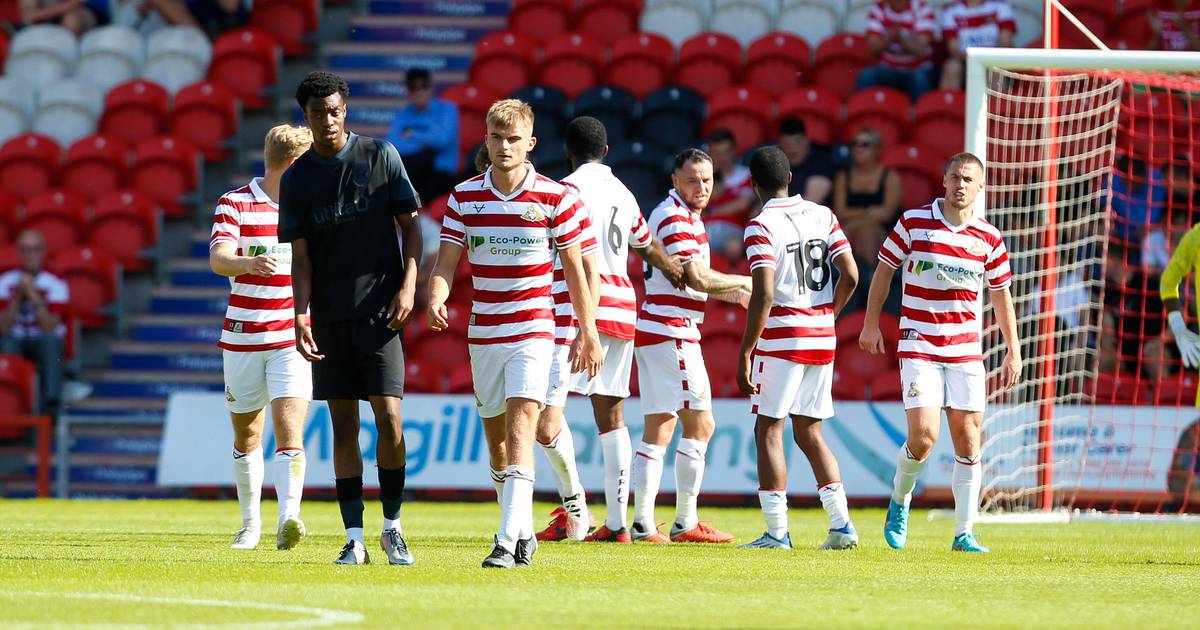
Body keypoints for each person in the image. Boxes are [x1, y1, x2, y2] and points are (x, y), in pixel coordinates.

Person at [427, 98, 602, 569]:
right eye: (496, 138)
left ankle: (505, 541)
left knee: (525, 426)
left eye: (513, 139)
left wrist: (589, 331)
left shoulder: (555, 196)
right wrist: (437, 295)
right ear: (485, 139)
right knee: (497, 440)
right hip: (484, 330)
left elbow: (577, 269)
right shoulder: (464, 197)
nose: (504, 147)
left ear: (530, 143)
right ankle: (523, 531)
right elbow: (446, 262)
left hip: (534, 329)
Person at [279, 71, 422, 567]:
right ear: (307, 116)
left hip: (382, 313)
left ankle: (393, 528)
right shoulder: (297, 178)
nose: (329, 119)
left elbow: (413, 228)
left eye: (336, 110)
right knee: (342, 424)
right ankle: (356, 538)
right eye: (319, 112)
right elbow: (302, 259)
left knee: (390, 417)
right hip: (330, 318)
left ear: (346, 109)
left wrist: (408, 286)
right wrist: (301, 313)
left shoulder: (380, 156)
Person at [859, 152, 1021, 553]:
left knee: (968, 439)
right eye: (955, 177)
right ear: (944, 180)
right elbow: (884, 269)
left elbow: (1002, 298)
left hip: (965, 350)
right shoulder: (914, 223)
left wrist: (1012, 350)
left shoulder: (989, 238)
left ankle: (964, 532)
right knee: (925, 436)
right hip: (919, 342)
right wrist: (870, 322)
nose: (961, 185)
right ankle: (900, 500)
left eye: (969, 179)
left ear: (980, 187)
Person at [533, 116, 684, 544]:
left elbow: (558, 252)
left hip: (576, 309)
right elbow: (644, 243)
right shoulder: (624, 192)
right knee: (611, 415)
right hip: (622, 308)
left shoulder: (567, 191)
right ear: (605, 151)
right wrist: (670, 265)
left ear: (568, 151)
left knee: (546, 422)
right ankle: (617, 524)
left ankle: (575, 506)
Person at [735, 147, 860, 551]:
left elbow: (765, 292)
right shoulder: (823, 215)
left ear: (753, 184)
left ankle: (776, 532)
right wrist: (827, 316)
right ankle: (842, 526)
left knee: (768, 428)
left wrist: (746, 350)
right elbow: (852, 275)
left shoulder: (760, 225)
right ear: (791, 176)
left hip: (785, 336)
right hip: (822, 334)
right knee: (810, 430)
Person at [630, 148, 752, 545]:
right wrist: (743, 284)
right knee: (701, 424)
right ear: (675, 181)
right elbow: (698, 279)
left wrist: (735, 295)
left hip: (655, 327)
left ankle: (644, 524)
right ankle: (685, 521)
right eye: (692, 180)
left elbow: (692, 281)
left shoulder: (683, 217)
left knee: (660, 427)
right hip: (672, 330)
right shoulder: (676, 216)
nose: (701, 187)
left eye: (707, 179)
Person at [209, 124, 313, 552]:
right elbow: (218, 259)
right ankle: (250, 524)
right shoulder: (235, 203)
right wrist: (248, 266)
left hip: (291, 335)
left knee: (290, 430)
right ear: (293, 165)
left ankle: (289, 517)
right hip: (243, 335)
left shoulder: (311, 212)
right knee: (247, 435)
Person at [0, 229, 67, 413]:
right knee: (7, 344)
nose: (30, 255)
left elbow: (49, 325)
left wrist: (32, 295)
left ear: (43, 251)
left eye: (35, 249)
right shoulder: (5, 280)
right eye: (25, 250)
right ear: (19, 253)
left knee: (51, 342)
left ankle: (51, 406)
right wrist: (18, 296)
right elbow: (4, 326)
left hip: (43, 339)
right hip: (15, 338)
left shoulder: (55, 280)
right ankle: (11, 407)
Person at [387, 68, 460, 201]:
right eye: (413, 87)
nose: (419, 92)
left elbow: (444, 140)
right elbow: (394, 146)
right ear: (408, 91)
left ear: (431, 88)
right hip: (411, 171)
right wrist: (429, 141)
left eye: (423, 86)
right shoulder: (402, 114)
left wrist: (413, 135)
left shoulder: (448, 109)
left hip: (440, 174)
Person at [832, 128, 902, 266]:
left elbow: (886, 214)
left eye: (865, 145)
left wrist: (855, 218)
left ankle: (866, 280)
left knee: (867, 233)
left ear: (877, 150)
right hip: (849, 228)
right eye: (855, 144)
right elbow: (840, 212)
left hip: (880, 233)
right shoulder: (843, 176)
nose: (858, 148)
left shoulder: (890, 176)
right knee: (858, 231)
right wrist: (868, 212)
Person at [856, 0, 938, 101]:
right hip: (888, 68)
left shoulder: (922, 8)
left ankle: (921, 114)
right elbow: (872, 50)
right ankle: (865, 113)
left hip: (918, 69)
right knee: (866, 76)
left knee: (920, 79)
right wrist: (890, 38)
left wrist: (899, 37)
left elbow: (920, 51)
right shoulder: (878, 8)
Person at [703, 128, 756, 258]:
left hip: (734, 228)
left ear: (734, 151)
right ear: (709, 153)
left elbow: (742, 203)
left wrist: (712, 211)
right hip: (703, 228)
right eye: (716, 153)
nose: (721, 158)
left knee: (734, 246)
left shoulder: (746, 175)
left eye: (725, 152)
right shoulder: (702, 178)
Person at [939, 0, 1015, 89]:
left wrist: (985, 58)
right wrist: (978, 57)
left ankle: (997, 102)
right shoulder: (951, 10)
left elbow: (1006, 44)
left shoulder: (1001, 5)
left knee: (993, 67)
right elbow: (953, 51)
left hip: (993, 59)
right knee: (952, 66)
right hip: (965, 62)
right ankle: (949, 101)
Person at [778, 118, 834, 206]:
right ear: (780, 144)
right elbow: (763, 203)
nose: (792, 149)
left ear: (807, 141)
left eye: (797, 143)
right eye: (787, 143)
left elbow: (810, 204)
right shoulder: (775, 162)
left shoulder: (820, 161)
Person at [19, 0, 105, 33]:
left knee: (71, 20)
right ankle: (27, 35)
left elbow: (74, 4)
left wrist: (37, 15)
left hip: (91, 14)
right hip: (58, 11)